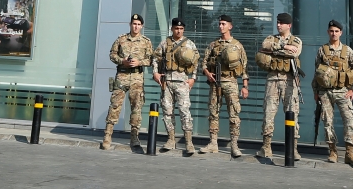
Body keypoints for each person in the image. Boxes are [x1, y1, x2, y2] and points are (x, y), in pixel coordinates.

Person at [100, 14, 155, 151]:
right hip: (122, 76)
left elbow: (151, 59)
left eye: (138, 24)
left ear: (141, 26)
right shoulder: (121, 39)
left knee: (137, 107)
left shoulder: (146, 42)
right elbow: (112, 54)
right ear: (130, 24)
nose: (136, 26)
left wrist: (139, 62)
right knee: (115, 105)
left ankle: (134, 137)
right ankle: (107, 136)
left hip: (137, 77)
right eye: (134, 24)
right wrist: (122, 61)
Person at [312, 20, 353, 165]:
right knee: (328, 122)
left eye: (336, 31)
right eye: (331, 31)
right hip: (325, 92)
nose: (334, 34)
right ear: (328, 32)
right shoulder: (322, 50)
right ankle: (332, 151)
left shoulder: (347, 51)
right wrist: (316, 91)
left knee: (349, 120)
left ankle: (349, 153)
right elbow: (316, 72)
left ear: (341, 33)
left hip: (342, 91)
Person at [200, 15, 248, 157]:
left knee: (234, 114)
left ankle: (234, 145)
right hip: (215, 82)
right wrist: (207, 73)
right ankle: (213, 143)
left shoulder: (237, 45)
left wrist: (245, 86)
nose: (221, 26)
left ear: (230, 26)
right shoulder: (213, 45)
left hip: (231, 82)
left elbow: (244, 67)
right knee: (213, 113)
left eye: (223, 24)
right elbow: (203, 63)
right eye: (219, 24)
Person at [257, 12, 303, 159]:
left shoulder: (296, 40)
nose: (278, 25)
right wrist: (284, 46)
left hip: (289, 81)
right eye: (277, 22)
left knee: (292, 113)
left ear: (288, 25)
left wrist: (274, 50)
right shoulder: (271, 38)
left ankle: (293, 149)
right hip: (272, 80)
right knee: (268, 114)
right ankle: (266, 147)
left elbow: (294, 54)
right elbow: (264, 46)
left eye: (281, 23)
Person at [152, 18, 199, 155]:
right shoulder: (165, 43)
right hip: (166, 81)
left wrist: (193, 78)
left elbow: (196, 61)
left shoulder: (189, 44)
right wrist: (155, 72)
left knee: (185, 111)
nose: (179, 31)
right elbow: (155, 58)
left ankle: (189, 142)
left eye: (181, 29)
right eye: (176, 28)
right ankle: (171, 139)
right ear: (172, 29)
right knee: (167, 111)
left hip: (182, 82)